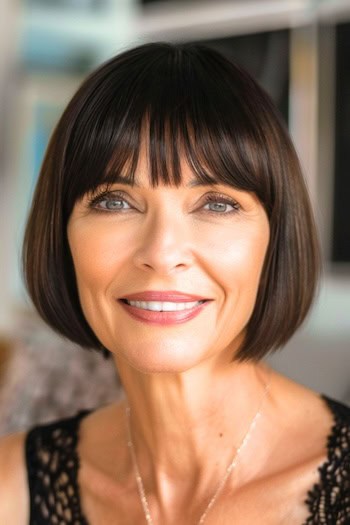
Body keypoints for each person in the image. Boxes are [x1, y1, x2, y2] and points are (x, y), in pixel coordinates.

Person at [0, 42, 349, 525]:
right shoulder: (10, 488)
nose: (162, 254)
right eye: (116, 201)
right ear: (60, 235)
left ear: (276, 239)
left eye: (217, 203)